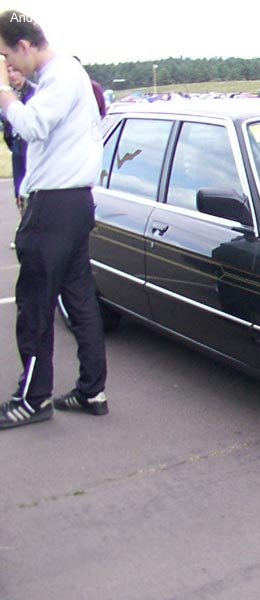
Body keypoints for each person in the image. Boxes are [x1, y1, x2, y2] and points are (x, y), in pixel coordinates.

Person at [0, 10, 108, 429]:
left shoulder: (61, 75)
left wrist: (5, 96)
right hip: (73, 203)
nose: (9, 63)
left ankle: (33, 399)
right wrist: (20, 89)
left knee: (35, 302)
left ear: (25, 45)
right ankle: (91, 389)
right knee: (79, 299)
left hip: (54, 206)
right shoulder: (61, 77)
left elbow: (32, 125)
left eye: (8, 55)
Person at [1, 63, 35, 228]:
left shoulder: (34, 93)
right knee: (19, 193)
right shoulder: (9, 95)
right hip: (18, 151)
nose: (13, 75)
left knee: (33, 193)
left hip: (33, 152)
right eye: (9, 71)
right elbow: (7, 126)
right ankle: (24, 223)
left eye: (16, 70)